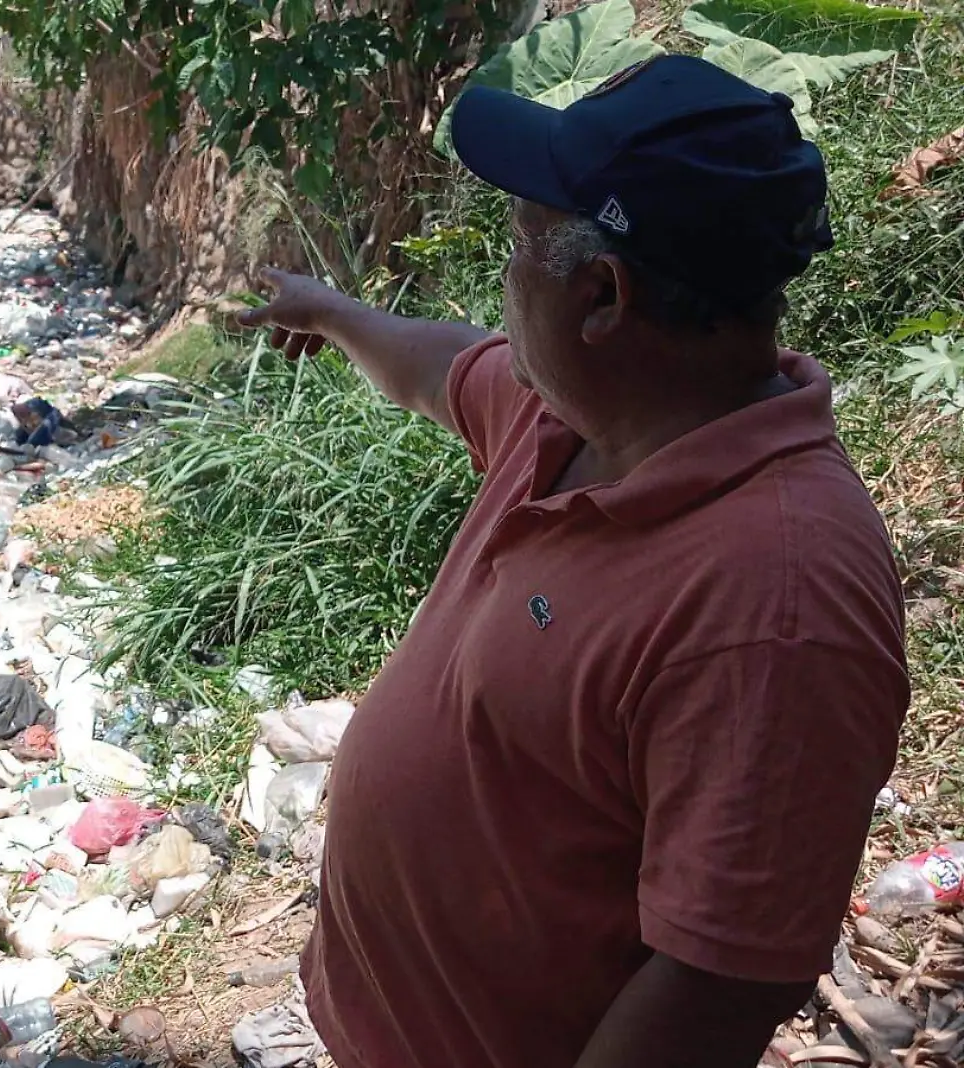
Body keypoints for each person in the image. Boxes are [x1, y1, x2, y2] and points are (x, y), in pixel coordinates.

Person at [238, 55, 908, 1068]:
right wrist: (331, 313)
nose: (502, 281)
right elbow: (436, 366)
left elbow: (722, 983)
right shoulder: (574, 419)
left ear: (603, 295)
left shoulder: (775, 596)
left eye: (517, 245)